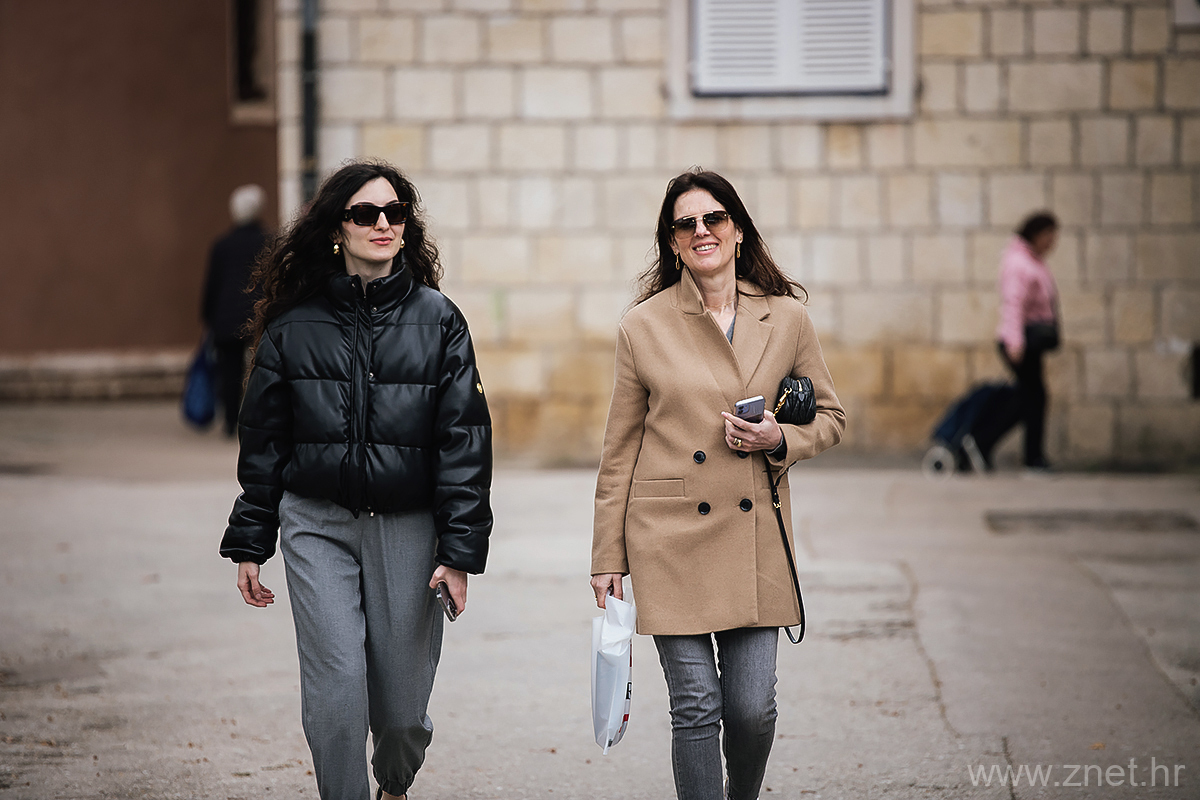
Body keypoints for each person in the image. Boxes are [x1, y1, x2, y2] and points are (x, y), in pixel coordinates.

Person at [218, 160, 493, 800]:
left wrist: (459, 553)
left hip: (409, 527)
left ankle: (394, 784)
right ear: (336, 228)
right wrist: (252, 540)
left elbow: (465, 443)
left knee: (401, 713)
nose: (382, 224)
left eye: (394, 213)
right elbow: (264, 443)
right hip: (316, 524)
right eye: (365, 213)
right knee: (337, 691)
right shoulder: (293, 326)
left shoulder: (440, 321)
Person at [590, 169, 846, 800]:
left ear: (737, 230)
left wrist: (779, 439)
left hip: (754, 536)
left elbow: (832, 418)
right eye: (686, 224)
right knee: (697, 706)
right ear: (672, 242)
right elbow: (619, 451)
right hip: (668, 538)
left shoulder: (787, 318)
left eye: (714, 219)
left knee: (752, 710)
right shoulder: (642, 326)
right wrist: (607, 557)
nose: (701, 231)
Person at [985, 211, 1060, 471]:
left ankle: (985, 443)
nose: (1052, 242)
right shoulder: (1019, 263)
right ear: (1036, 234)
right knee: (1032, 398)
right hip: (1019, 342)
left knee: (1030, 398)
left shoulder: (1032, 260)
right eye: (1049, 236)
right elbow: (1013, 304)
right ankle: (1031, 458)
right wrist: (1015, 343)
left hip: (1029, 343)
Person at [202, 184, 269, 436]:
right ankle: (259, 418)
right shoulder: (267, 241)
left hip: (226, 317)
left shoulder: (222, 245)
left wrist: (208, 316)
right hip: (259, 314)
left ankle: (231, 421)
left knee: (229, 371)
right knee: (262, 368)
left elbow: (212, 284)